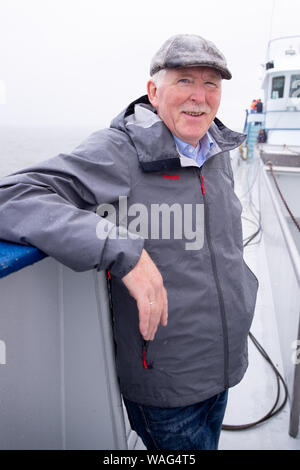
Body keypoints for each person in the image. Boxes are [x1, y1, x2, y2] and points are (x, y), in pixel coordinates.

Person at [0, 34, 258, 450]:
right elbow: (12, 197)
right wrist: (123, 250)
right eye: (185, 81)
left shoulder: (216, 151)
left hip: (224, 367)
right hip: (167, 385)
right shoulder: (120, 152)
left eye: (211, 84)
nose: (199, 96)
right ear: (154, 91)